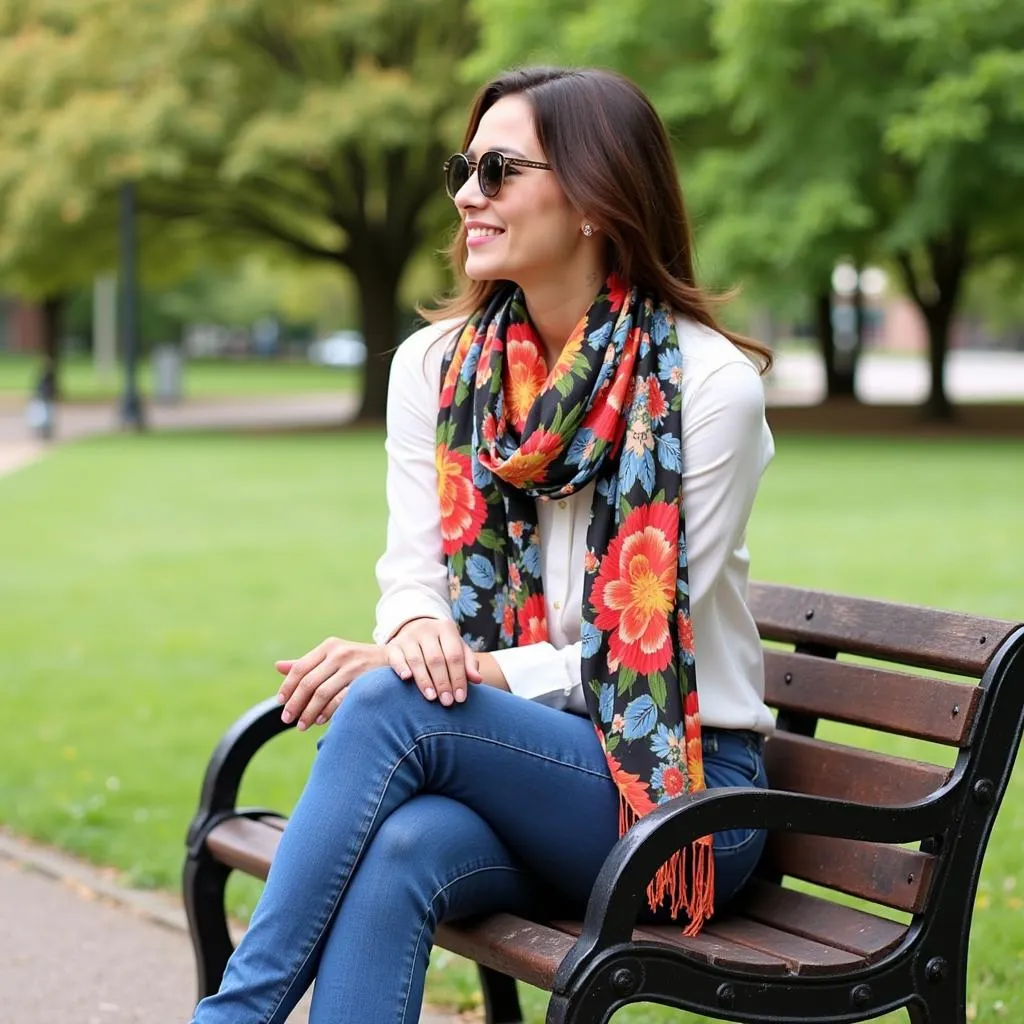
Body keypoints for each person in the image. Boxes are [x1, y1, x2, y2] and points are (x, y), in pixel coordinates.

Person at [190, 66, 776, 1024]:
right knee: (402, 847)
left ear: (595, 197)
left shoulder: (708, 389)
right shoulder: (435, 367)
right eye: (466, 166)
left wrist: (425, 666)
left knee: (391, 698)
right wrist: (418, 630)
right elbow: (411, 574)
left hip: (681, 791)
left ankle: (231, 1017)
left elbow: (611, 655)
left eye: (499, 170)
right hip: (514, 769)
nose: (467, 193)